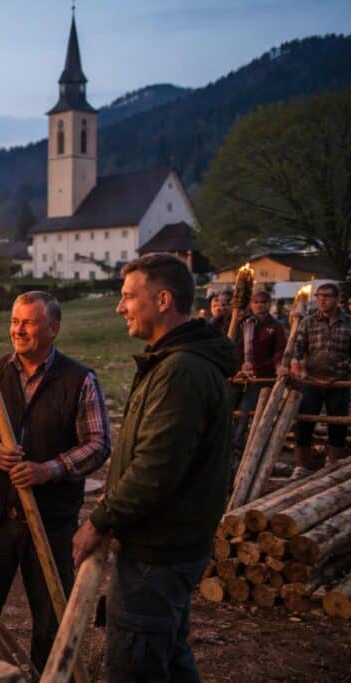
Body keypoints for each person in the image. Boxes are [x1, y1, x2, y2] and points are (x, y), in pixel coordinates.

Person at [73, 253, 236, 682]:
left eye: (129, 296)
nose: (119, 307)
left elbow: (155, 467)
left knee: (138, 665)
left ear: (162, 300)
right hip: (166, 546)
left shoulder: (181, 371)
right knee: (170, 656)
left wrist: (101, 519)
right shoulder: (173, 362)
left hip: (158, 552)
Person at [0, 291, 111, 673]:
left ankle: (48, 678)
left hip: (52, 521)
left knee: (52, 621)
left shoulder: (79, 379)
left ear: (53, 328)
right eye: (14, 321)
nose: (18, 330)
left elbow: (98, 444)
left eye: (29, 322)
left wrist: (50, 469)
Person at [288, 282, 351, 474]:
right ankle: (301, 466)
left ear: (337, 299)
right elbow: (298, 349)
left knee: (337, 423)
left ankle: (332, 465)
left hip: (340, 380)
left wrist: (345, 367)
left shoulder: (348, 322)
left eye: (327, 296)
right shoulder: (308, 322)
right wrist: (295, 363)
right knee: (304, 422)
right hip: (312, 379)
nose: (322, 300)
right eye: (319, 296)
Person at [232, 290, 286, 461]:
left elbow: (279, 351)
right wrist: (240, 366)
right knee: (232, 412)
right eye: (256, 302)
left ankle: (245, 451)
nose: (260, 305)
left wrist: (274, 366)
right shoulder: (242, 324)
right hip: (239, 376)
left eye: (263, 302)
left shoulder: (276, 326)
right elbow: (234, 346)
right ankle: (231, 450)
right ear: (251, 304)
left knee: (248, 413)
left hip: (262, 377)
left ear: (269, 304)